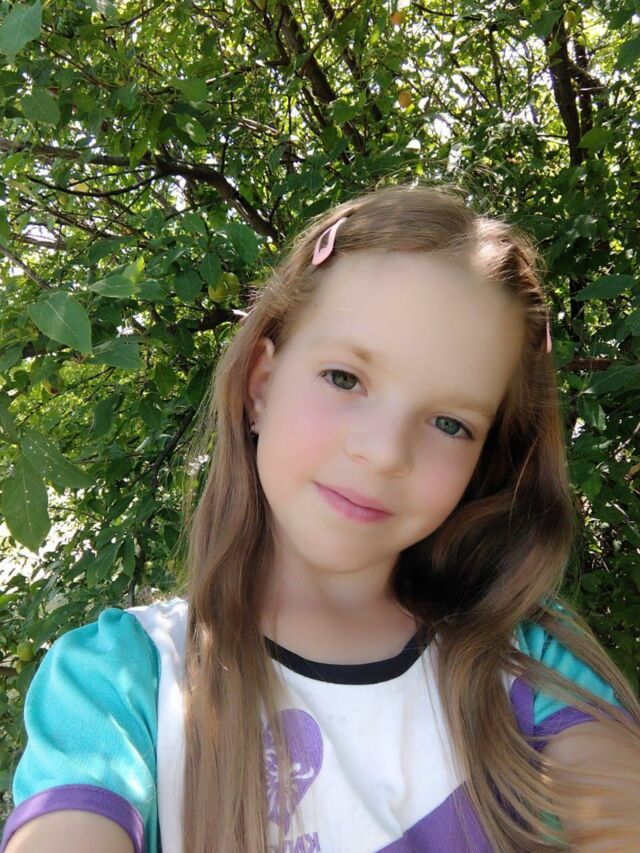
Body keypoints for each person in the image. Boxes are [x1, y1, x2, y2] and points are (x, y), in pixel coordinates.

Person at [2, 182, 639, 853]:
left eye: (451, 423)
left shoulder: (527, 658)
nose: (385, 451)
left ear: (484, 462)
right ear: (261, 384)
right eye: (344, 378)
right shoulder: (123, 683)